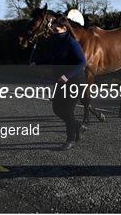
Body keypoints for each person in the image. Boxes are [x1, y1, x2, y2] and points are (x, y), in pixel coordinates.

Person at [35, 15, 88, 151]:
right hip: (62, 81)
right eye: (52, 30)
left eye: (56, 30)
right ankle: (78, 126)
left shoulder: (72, 43)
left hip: (75, 81)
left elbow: (82, 62)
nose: (54, 32)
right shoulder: (56, 42)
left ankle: (70, 139)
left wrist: (67, 76)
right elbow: (51, 57)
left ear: (64, 28)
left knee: (68, 110)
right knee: (57, 108)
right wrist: (37, 62)